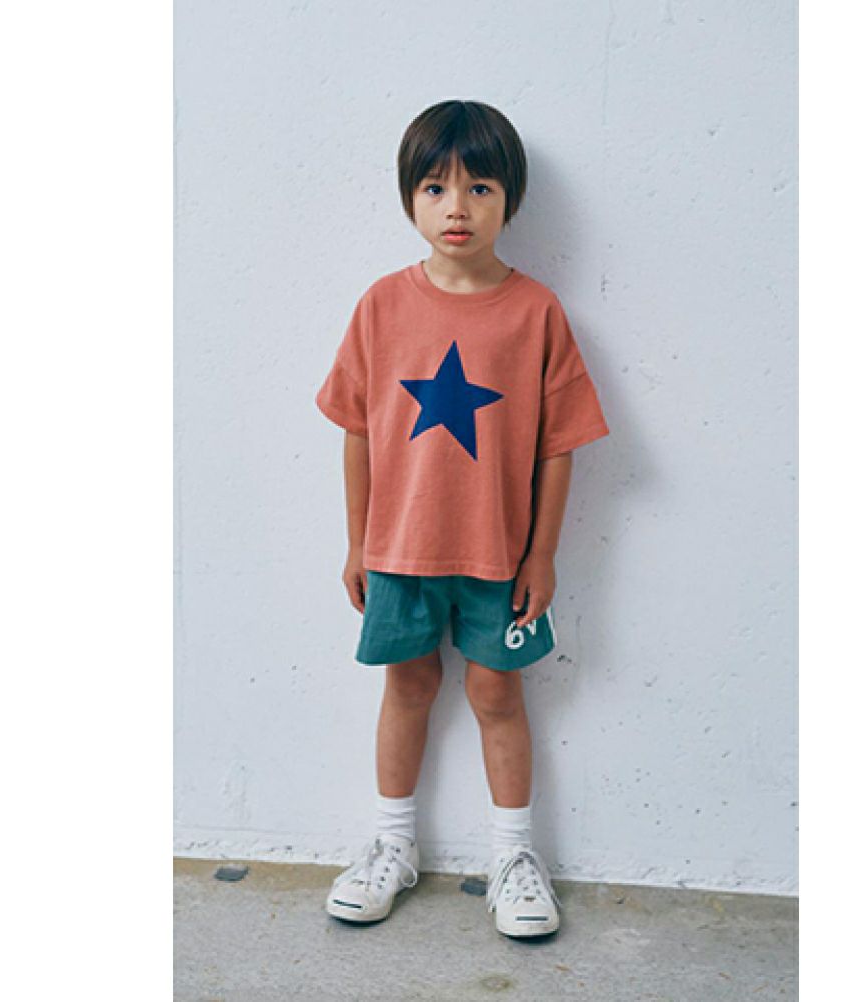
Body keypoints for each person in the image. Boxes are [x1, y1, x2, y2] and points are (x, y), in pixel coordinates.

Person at [314, 99, 610, 938]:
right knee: (407, 685)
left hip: (498, 558)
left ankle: (514, 856)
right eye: (436, 187)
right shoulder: (381, 305)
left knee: (496, 692)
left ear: (509, 199)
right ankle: (391, 843)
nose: (457, 207)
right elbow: (357, 432)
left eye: (480, 188)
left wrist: (542, 556)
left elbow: (560, 445)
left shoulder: (536, 312)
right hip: (399, 551)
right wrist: (358, 543)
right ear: (409, 196)